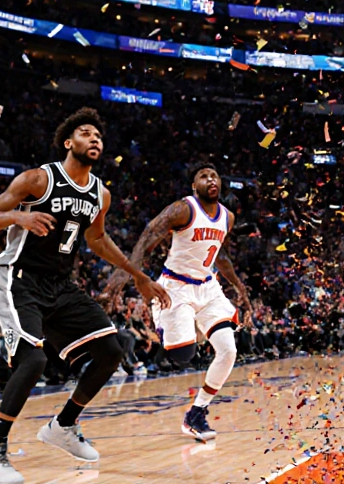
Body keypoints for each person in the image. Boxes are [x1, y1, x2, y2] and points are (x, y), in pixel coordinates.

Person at [0, 108, 172, 484]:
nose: (94, 139)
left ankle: (62, 425)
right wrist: (18, 217)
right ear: (69, 142)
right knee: (33, 361)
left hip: (61, 285)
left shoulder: (100, 193)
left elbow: (96, 239)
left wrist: (139, 276)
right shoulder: (38, 179)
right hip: (19, 278)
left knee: (111, 351)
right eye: (85, 133)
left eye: (98, 135)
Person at [104, 163, 252, 441]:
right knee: (183, 356)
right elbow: (146, 239)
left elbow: (220, 256)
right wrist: (120, 281)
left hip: (208, 287)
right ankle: (163, 318)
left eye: (215, 175)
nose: (211, 179)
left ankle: (196, 413)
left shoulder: (227, 217)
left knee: (228, 350)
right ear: (194, 187)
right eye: (204, 176)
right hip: (175, 287)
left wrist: (239, 287)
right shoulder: (182, 209)